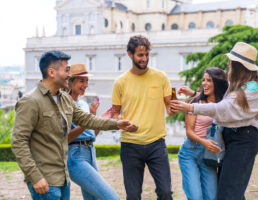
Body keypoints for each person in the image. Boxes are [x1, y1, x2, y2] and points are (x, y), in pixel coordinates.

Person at [11, 50, 135, 200]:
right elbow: (19, 142)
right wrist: (34, 176)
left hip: (63, 179)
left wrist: (117, 124)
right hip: (44, 182)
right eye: (66, 70)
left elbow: (87, 119)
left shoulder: (64, 98)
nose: (69, 75)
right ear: (51, 72)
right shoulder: (30, 101)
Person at [170, 42, 258, 200]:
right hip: (233, 140)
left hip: (242, 141)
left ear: (239, 66)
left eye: (231, 61)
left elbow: (224, 108)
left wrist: (190, 107)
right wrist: (195, 94)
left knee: (228, 193)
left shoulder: (252, 87)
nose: (228, 64)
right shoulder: (238, 85)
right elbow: (222, 102)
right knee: (230, 191)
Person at [111, 35, 174, 200]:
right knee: (133, 195)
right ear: (130, 54)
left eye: (146, 54)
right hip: (130, 144)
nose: (144, 58)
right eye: (140, 55)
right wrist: (122, 123)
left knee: (166, 192)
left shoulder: (161, 77)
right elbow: (114, 113)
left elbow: (170, 106)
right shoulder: (120, 82)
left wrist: (175, 104)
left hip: (156, 144)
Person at [67, 64, 119, 200]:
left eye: (86, 81)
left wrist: (98, 120)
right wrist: (88, 120)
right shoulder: (64, 105)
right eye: (81, 81)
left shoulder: (83, 104)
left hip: (90, 151)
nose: (85, 84)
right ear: (70, 82)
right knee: (111, 197)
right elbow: (64, 139)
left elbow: (91, 135)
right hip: (75, 155)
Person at [177, 67, 228, 200]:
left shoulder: (224, 103)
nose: (204, 83)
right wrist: (204, 142)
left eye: (209, 80)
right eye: (203, 80)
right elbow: (189, 132)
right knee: (196, 197)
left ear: (217, 83)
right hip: (190, 153)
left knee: (211, 197)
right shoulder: (195, 103)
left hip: (210, 155)